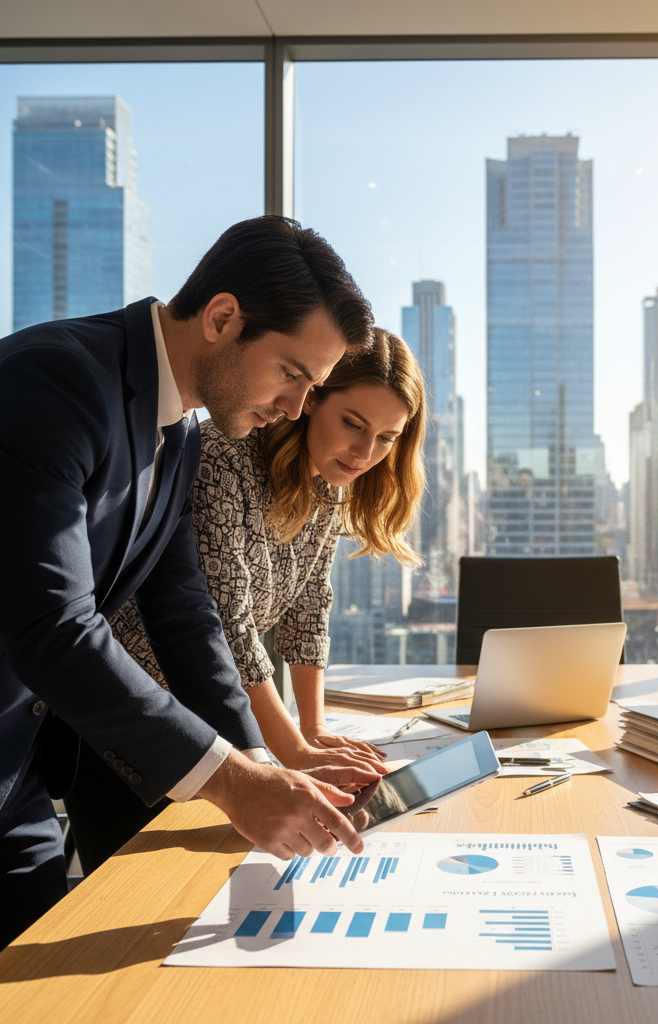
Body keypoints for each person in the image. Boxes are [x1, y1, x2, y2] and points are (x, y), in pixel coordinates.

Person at [0, 215, 379, 949]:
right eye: (293, 375)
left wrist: (263, 769)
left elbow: (184, 612)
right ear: (223, 317)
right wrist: (232, 783)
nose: (296, 410)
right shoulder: (53, 382)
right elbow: (53, 624)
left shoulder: (181, 434)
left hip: (18, 780)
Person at [68, 329, 426, 874]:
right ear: (311, 401)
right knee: (131, 905)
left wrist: (314, 728)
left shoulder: (328, 486)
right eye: (353, 424)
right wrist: (296, 753)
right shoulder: (222, 457)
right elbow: (228, 629)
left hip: (219, 722)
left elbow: (310, 608)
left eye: (386, 438)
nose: (364, 452)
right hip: (135, 724)